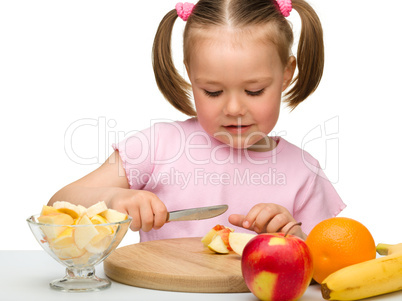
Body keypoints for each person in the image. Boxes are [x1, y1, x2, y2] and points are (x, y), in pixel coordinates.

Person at [49, 0, 346, 241]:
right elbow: (57, 205)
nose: (233, 108)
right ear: (191, 75)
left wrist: (294, 234)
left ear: (286, 74)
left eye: (254, 90)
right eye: (213, 91)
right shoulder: (157, 147)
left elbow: (326, 263)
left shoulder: (303, 171)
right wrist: (112, 199)